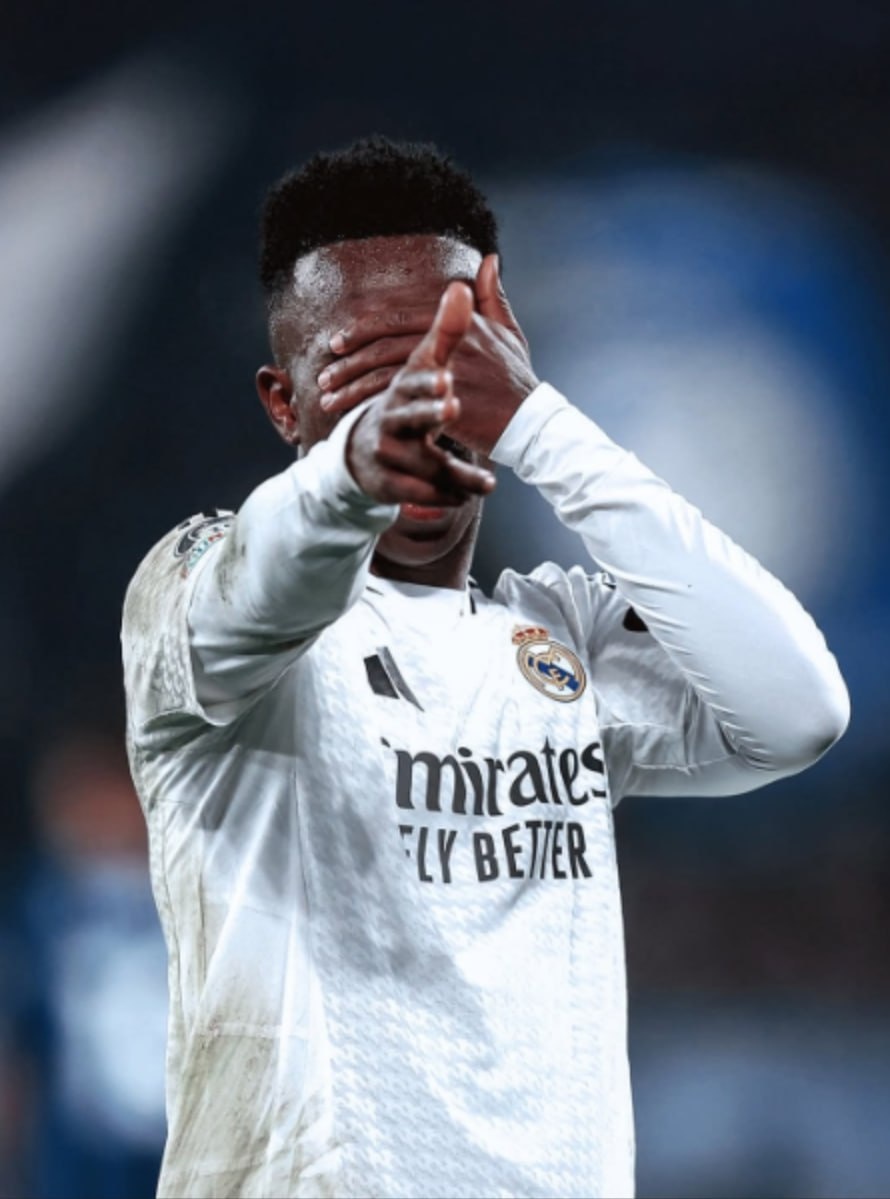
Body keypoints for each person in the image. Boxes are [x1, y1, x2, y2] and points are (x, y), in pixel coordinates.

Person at [121, 136, 849, 1199]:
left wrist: (544, 426)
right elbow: (264, 581)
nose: (414, 410)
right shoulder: (195, 592)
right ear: (284, 403)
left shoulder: (559, 636)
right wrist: (350, 475)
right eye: (364, 377)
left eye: (444, 365)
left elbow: (796, 711)